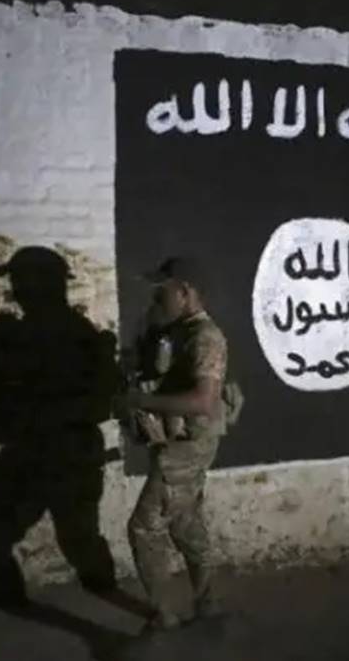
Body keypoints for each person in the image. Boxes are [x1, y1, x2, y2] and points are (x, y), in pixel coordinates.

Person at [0, 246, 121, 607]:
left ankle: (114, 599)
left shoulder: (53, 332)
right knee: (74, 541)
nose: (14, 289)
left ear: (39, 284)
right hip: (47, 453)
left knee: (68, 541)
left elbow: (20, 379)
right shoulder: (51, 329)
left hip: (55, 455)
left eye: (19, 281)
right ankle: (109, 596)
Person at [119, 256, 229, 632]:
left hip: (185, 450)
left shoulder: (205, 336)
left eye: (162, 291)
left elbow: (203, 401)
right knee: (184, 521)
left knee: (143, 529)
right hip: (178, 444)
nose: (156, 298)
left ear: (184, 291)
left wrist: (141, 400)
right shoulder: (179, 330)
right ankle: (209, 602)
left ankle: (163, 617)